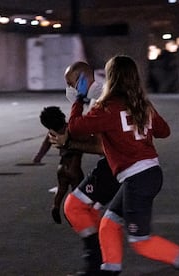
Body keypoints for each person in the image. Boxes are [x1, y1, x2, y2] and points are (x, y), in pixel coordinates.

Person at [68, 55, 179, 276]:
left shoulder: (107, 107)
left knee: (140, 241)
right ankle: (109, 270)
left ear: (111, 78)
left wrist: (79, 99)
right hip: (148, 174)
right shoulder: (141, 104)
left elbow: (75, 127)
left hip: (138, 178)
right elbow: (164, 131)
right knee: (109, 223)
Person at [47, 61, 122, 275]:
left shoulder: (99, 100)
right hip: (124, 163)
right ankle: (106, 265)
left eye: (71, 83)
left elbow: (101, 147)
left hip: (117, 165)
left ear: (82, 80)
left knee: (73, 207)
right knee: (94, 213)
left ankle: (95, 263)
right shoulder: (102, 95)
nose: (69, 89)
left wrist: (68, 143)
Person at [35, 106, 84, 224]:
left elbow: (45, 145)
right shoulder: (70, 128)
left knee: (61, 189)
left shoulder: (52, 133)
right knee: (78, 193)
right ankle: (71, 213)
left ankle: (56, 206)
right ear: (62, 116)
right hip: (74, 167)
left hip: (61, 166)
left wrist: (38, 157)